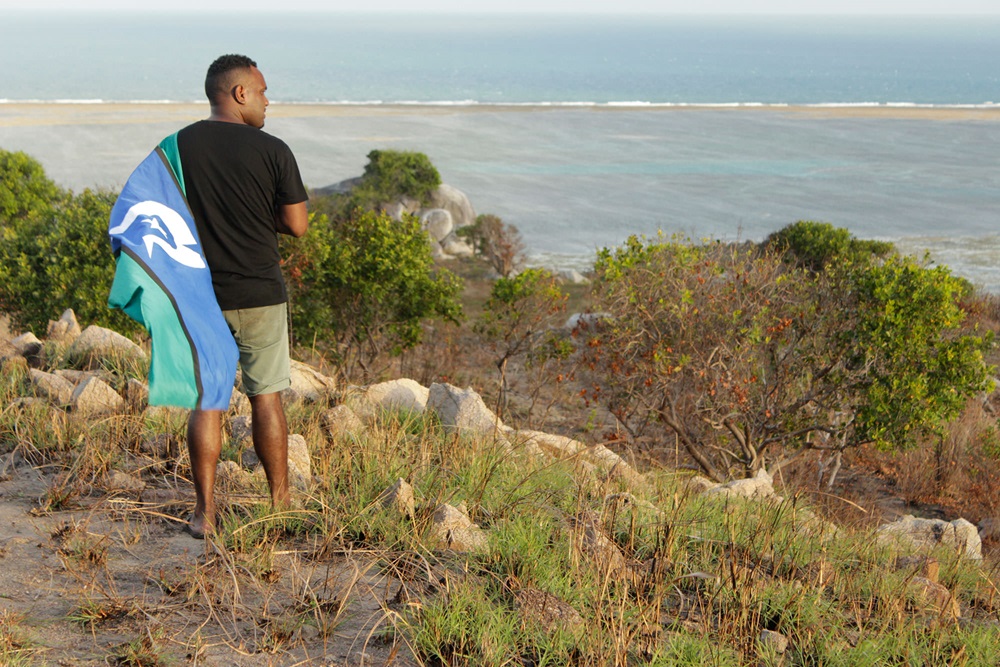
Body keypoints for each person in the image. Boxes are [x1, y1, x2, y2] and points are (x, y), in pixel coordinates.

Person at [178, 54, 309, 538]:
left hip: (201, 295)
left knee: (207, 402)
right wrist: (257, 214)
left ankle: (205, 513)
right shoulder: (273, 150)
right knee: (267, 399)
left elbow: (157, 211)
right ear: (239, 93)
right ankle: (279, 505)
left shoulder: (178, 146)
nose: (267, 101)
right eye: (262, 91)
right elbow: (297, 224)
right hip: (260, 293)